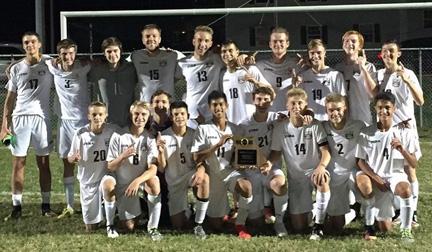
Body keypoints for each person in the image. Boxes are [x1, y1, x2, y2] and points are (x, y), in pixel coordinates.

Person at [1, 31, 56, 220]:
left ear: (39, 44)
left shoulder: (49, 63)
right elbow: (10, 98)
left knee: (44, 163)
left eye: (33, 42)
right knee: (18, 162)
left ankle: (46, 206)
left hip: (42, 119)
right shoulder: (17, 69)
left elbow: (67, 64)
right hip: (19, 119)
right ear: (23, 46)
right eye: (26, 42)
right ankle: (16, 208)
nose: (30, 45)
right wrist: (4, 124)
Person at [265, 88, 331, 240]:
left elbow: (326, 151)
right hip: (296, 177)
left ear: (306, 105)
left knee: (322, 179)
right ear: (287, 106)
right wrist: (269, 163)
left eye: (300, 103)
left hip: (313, 172)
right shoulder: (280, 127)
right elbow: (276, 152)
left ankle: (318, 226)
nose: (296, 107)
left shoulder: (314, 125)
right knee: (299, 226)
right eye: (292, 103)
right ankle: (314, 210)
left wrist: (321, 167)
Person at [372, 40, 424, 227]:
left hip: (406, 127)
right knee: (392, 170)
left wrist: (406, 80)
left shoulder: (407, 73)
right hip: (388, 130)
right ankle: (398, 211)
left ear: (398, 53)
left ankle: (413, 213)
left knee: (409, 170)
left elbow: (420, 101)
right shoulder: (379, 75)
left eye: (391, 51)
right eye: (384, 52)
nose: (388, 55)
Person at [355, 91, 417, 242]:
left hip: (395, 176)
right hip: (374, 177)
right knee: (384, 228)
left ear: (394, 108)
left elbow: (414, 163)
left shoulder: (405, 132)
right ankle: (370, 223)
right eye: (380, 107)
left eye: (387, 107)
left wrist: (402, 149)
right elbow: (360, 161)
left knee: (406, 189)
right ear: (375, 109)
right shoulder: (366, 132)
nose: (384, 111)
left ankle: (406, 231)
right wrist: (377, 179)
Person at [191, 91, 254, 239]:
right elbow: (196, 157)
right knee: (216, 226)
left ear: (226, 106)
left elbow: (243, 155)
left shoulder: (237, 129)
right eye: (214, 105)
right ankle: (221, 215)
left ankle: (240, 224)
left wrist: (245, 163)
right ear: (209, 107)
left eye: (221, 104)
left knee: (247, 187)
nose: (218, 108)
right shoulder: (203, 129)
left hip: (230, 172)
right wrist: (217, 145)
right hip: (213, 174)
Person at [45, 38, 91, 219]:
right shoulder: (53, 66)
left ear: (75, 53)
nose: (68, 56)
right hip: (64, 122)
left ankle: (89, 202)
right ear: (59, 54)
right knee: (67, 162)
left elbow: (97, 62)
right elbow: (36, 57)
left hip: (83, 123)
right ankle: (70, 205)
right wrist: (14, 64)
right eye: (64, 53)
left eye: (71, 53)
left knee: (87, 163)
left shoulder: (84, 67)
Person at [103, 101, 162, 240]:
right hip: (123, 184)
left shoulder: (149, 138)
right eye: (136, 113)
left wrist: (137, 181)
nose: (139, 117)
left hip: (138, 183)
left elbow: (153, 169)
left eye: (143, 114)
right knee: (128, 227)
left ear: (148, 117)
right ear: (131, 115)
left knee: (154, 181)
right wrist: (122, 156)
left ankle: (153, 228)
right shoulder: (119, 135)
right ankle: (112, 222)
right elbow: (110, 166)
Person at [156, 101, 210, 239]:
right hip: (174, 182)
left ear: (188, 116)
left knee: (204, 179)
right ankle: (188, 211)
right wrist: (161, 152)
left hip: (190, 175)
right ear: (171, 117)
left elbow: (200, 159)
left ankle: (199, 224)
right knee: (178, 225)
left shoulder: (195, 134)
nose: (179, 117)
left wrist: (200, 169)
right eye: (176, 114)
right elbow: (161, 168)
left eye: (182, 114)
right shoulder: (164, 136)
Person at [241, 86, 288, 237]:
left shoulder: (278, 118)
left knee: (279, 184)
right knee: (257, 224)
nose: (262, 103)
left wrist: (268, 163)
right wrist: (253, 163)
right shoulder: (244, 124)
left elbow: (298, 112)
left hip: (271, 167)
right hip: (252, 171)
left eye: (266, 100)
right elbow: (243, 153)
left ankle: (279, 222)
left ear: (272, 101)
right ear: (253, 100)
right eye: (259, 99)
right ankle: (256, 213)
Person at [67, 101, 118, 235]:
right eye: (94, 114)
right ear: (88, 116)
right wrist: (74, 158)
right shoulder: (81, 134)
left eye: (100, 114)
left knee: (108, 184)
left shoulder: (112, 131)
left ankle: (110, 222)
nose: (97, 117)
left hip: (106, 176)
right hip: (88, 181)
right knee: (91, 228)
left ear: (106, 115)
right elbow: (70, 157)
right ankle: (101, 210)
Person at [322, 93, 365, 233]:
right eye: (331, 110)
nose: (335, 113)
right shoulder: (322, 127)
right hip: (335, 176)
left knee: (365, 184)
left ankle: (370, 214)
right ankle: (352, 213)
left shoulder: (358, 125)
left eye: (338, 109)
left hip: (354, 172)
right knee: (335, 228)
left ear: (345, 109)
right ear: (326, 110)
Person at [178, 25, 224, 125]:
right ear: (193, 41)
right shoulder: (182, 63)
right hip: (192, 116)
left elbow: (234, 61)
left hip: (213, 115)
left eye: (206, 41)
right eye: (199, 40)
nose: (202, 44)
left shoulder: (218, 59)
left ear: (211, 43)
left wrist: (244, 56)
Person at [220, 40, 273, 125]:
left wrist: (255, 82)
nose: (227, 54)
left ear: (237, 52)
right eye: (224, 51)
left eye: (230, 50)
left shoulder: (250, 69)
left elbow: (271, 91)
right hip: (231, 124)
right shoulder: (222, 74)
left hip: (250, 123)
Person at [89, 37, 137, 128]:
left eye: (115, 51)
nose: (113, 54)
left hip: (128, 122)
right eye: (109, 52)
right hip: (105, 123)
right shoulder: (96, 70)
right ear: (104, 53)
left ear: (120, 51)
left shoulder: (131, 69)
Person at [130, 24, 184, 102]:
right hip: (145, 106)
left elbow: (189, 65)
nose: (151, 38)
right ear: (142, 40)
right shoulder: (135, 56)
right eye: (147, 36)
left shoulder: (172, 55)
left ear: (160, 39)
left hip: (167, 105)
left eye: (154, 36)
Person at [334, 30, 377, 125]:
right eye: (346, 41)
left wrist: (363, 69)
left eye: (353, 41)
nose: (349, 43)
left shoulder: (369, 66)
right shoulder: (338, 68)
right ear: (343, 45)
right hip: (343, 119)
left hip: (362, 118)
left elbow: (374, 94)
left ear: (360, 46)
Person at [297, 39, 346, 121]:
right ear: (308, 55)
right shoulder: (303, 77)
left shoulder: (335, 75)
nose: (315, 56)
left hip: (330, 121)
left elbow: (343, 101)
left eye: (319, 52)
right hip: (310, 122)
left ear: (325, 53)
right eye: (312, 53)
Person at [255, 27, 301, 112]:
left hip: (290, 113)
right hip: (268, 114)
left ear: (287, 43)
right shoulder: (260, 65)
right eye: (275, 41)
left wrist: (307, 59)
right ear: (270, 44)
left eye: (281, 41)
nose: (278, 44)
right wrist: (244, 57)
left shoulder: (297, 64)